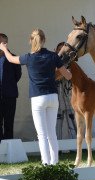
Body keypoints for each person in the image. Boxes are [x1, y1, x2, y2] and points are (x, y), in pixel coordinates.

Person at [0, 29, 72, 165]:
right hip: (52, 96)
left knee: (42, 134)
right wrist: (63, 71)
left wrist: (3, 47)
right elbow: (68, 75)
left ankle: (46, 163)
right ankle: (55, 163)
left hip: (38, 98)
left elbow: (10, 59)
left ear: (30, 41)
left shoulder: (28, 57)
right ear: (44, 40)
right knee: (52, 133)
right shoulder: (53, 56)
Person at [0, 33, 22, 142]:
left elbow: (18, 75)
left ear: (6, 44)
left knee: (9, 123)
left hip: (9, 95)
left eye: (2, 42)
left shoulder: (13, 58)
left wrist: (9, 85)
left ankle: (8, 148)